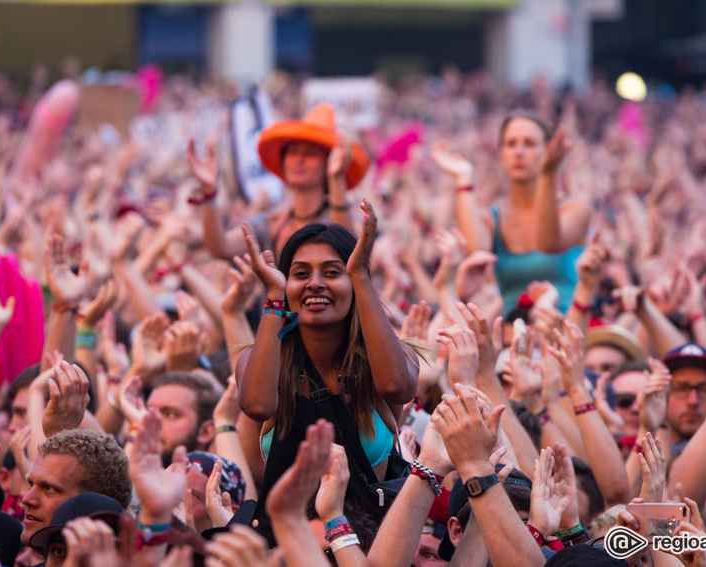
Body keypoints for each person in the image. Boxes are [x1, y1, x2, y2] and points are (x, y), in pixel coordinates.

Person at [237, 200, 418, 542]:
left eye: (333, 272)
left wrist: (361, 275)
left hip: (375, 547)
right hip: (289, 549)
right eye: (300, 274)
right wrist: (274, 296)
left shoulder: (389, 357)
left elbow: (397, 387)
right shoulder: (259, 360)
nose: (315, 284)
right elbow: (258, 406)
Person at [434, 111, 591, 313]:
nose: (519, 152)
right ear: (501, 155)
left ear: (550, 150)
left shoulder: (576, 207)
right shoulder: (493, 217)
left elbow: (548, 243)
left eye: (529, 144)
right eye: (511, 144)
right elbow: (476, 252)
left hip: (567, 329)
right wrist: (464, 178)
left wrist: (547, 175)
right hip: (511, 335)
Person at [191, 102, 370, 260]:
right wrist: (210, 193)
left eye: (310, 153)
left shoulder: (349, 217)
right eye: (292, 152)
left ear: (329, 162)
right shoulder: (270, 224)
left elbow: (350, 255)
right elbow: (220, 247)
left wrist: (336, 177)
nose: (298, 159)